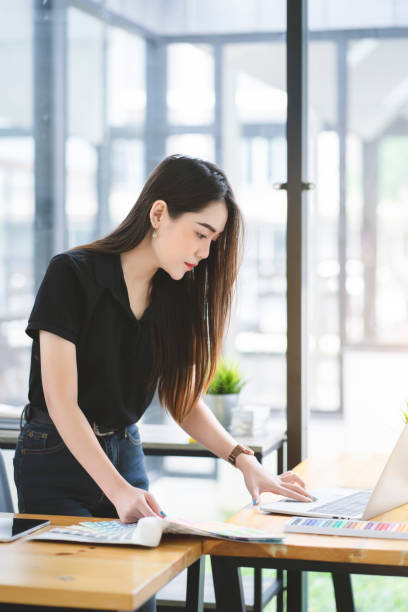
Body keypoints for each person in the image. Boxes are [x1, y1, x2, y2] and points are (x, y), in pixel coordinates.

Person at [13, 154, 313, 612]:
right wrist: (119, 492)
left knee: (140, 597)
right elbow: (61, 402)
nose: (205, 252)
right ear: (158, 214)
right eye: (200, 233)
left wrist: (244, 461)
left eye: (213, 240)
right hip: (56, 454)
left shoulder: (173, 293)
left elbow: (182, 399)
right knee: (71, 594)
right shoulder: (70, 274)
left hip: (124, 451)